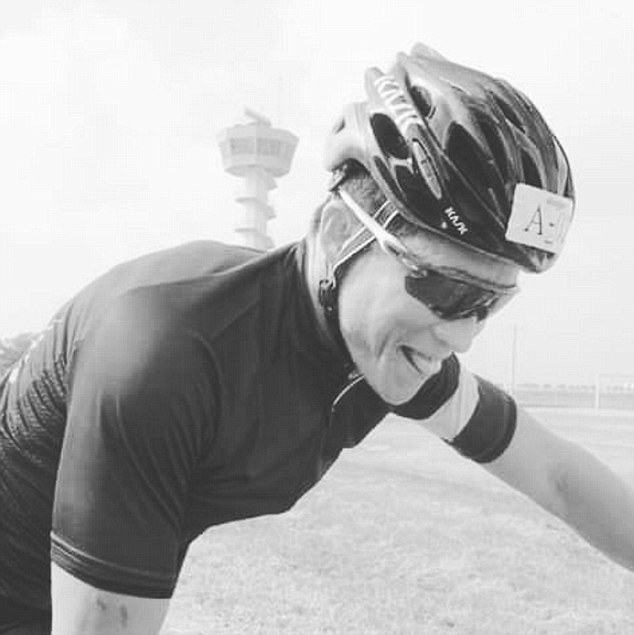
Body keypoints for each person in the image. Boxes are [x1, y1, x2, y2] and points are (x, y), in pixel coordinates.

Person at [1, 43, 633, 634]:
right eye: (445, 289)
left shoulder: (382, 348)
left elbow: (556, 476)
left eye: (490, 303)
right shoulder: (168, 354)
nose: (463, 335)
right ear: (338, 234)